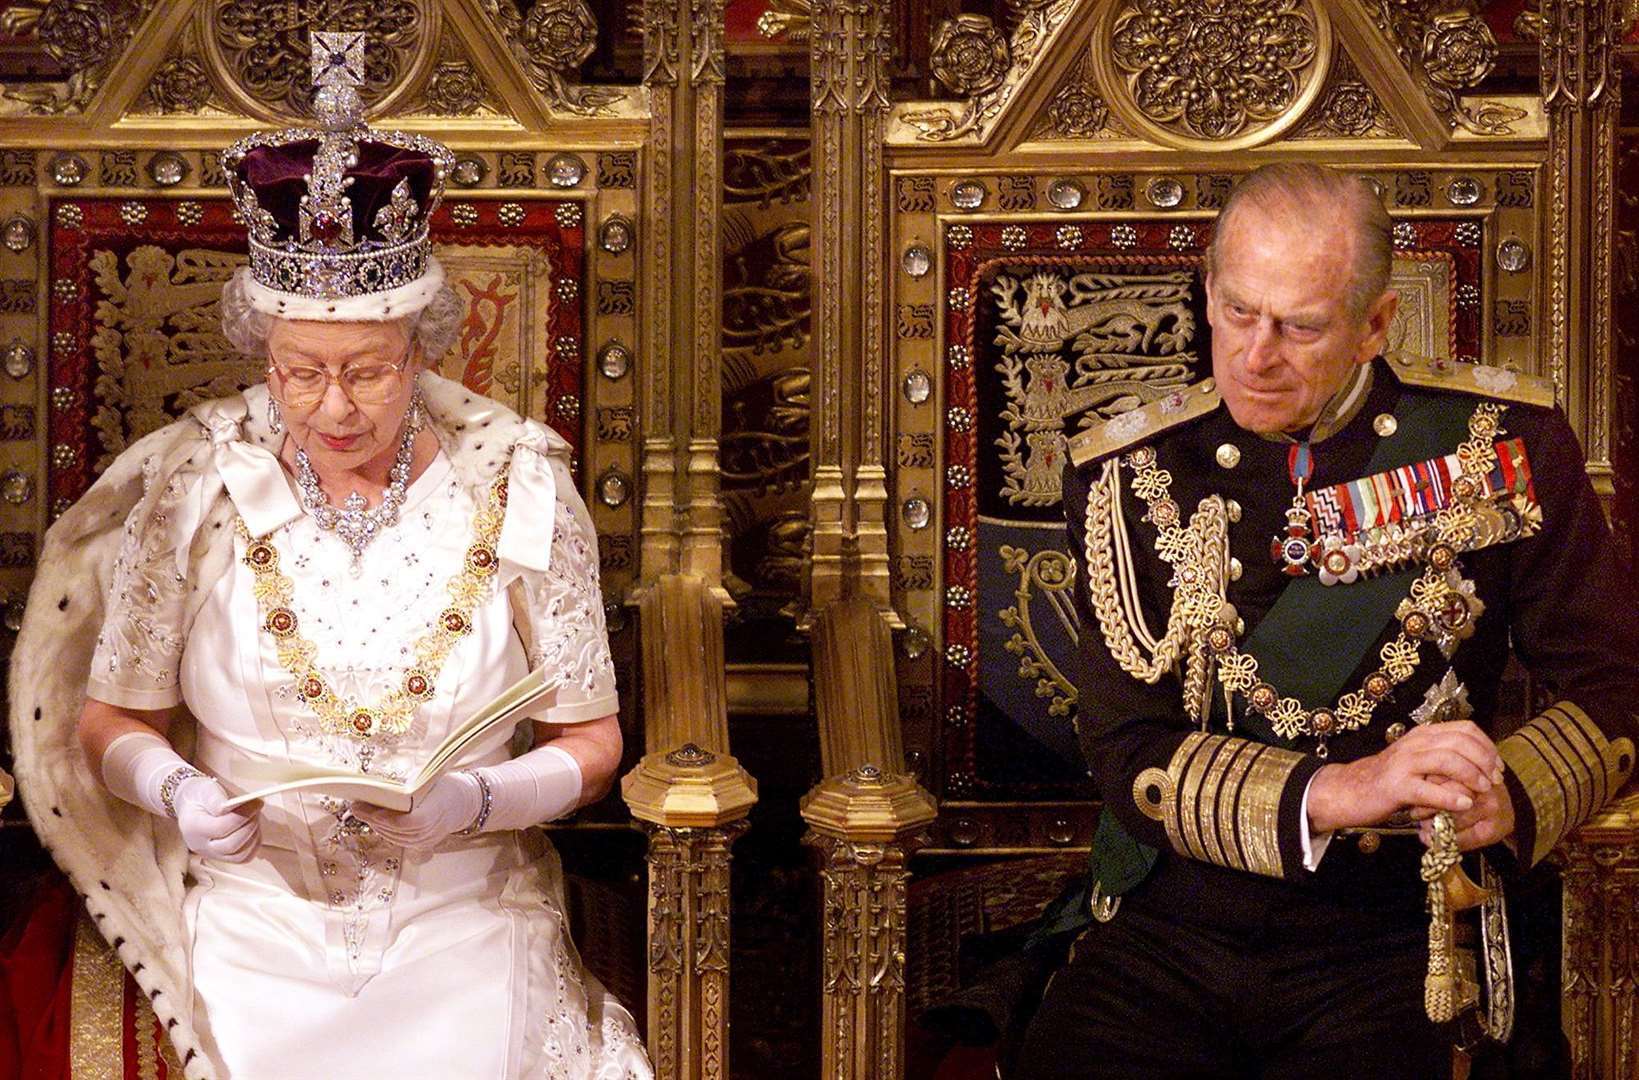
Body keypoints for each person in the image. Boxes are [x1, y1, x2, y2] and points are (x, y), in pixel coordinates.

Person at [10, 33, 650, 1080]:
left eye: (368, 371)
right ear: (263, 348)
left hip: (463, 911)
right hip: (252, 915)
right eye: (301, 373)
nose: (335, 406)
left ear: (425, 347)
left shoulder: (519, 485)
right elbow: (109, 721)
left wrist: (472, 807)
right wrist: (177, 794)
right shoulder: (194, 485)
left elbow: (590, 741)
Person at [1014, 162, 1639, 1078]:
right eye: (1235, 312)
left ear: (1375, 324)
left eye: (1299, 327)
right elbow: (1122, 743)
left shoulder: (1499, 445)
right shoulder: (1129, 470)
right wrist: (1339, 792)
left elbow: (1615, 681)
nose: (1254, 356)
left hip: (1398, 928)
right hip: (1174, 923)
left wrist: (1510, 792)